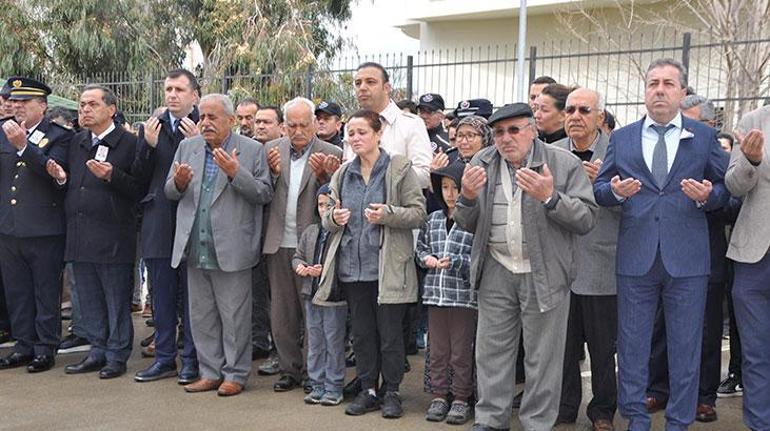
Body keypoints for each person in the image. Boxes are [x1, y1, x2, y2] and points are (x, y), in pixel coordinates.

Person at [593, 58, 729, 431]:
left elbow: (728, 189)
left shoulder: (702, 138)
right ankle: (636, 420)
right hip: (637, 258)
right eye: (653, 83)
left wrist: (707, 196)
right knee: (633, 347)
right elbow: (600, 190)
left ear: (682, 93)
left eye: (669, 84)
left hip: (687, 260)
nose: (659, 90)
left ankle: (679, 422)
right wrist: (615, 193)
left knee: (686, 348)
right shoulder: (622, 138)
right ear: (645, 91)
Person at [456, 102, 598, 431]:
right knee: (491, 353)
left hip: (545, 273)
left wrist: (551, 198)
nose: (505, 138)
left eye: (514, 130)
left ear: (533, 131)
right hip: (496, 270)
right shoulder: (482, 162)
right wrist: (465, 196)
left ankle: (537, 423)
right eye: (499, 132)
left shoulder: (562, 164)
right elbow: (466, 222)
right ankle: (491, 420)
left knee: (543, 359)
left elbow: (587, 218)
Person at [318, 109, 426, 419]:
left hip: (388, 266)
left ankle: (391, 391)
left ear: (378, 134)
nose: (355, 138)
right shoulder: (342, 173)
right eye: (351, 133)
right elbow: (327, 219)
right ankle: (368, 389)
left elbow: (418, 212)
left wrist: (387, 214)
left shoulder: (399, 168)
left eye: (362, 132)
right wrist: (334, 219)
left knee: (390, 335)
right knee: (363, 335)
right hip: (353, 268)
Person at [165, 93, 273, 396]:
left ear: (231, 120)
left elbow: (264, 193)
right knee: (201, 317)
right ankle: (209, 372)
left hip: (232, 249)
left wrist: (235, 173)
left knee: (235, 318)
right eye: (202, 117)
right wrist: (180, 182)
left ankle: (235, 375)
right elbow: (169, 191)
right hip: (195, 247)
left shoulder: (252, 150)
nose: (206, 123)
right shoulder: (187, 147)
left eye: (213, 117)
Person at [48, 85, 144, 379]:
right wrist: (61, 179)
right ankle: (97, 350)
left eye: (92, 104)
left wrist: (112, 175)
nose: (85, 110)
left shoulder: (129, 143)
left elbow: (140, 190)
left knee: (115, 300)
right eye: (81, 105)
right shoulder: (77, 142)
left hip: (114, 235)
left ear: (111, 109)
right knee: (88, 300)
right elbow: (70, 184)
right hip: (80, 233)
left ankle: (116, 355)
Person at [263, 97, 342, 393]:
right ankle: (289, 369)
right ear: (283, 126)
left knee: (313, 312)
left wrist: (325, 176)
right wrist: (271, 174)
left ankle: (313, 371)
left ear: (314, 124)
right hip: (278, 242)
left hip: (313, 245)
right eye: (292, 125)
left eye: (304, 125)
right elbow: (261, 195)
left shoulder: (332, 152)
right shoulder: (270, 151)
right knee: (282, 313)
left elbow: (338, 199)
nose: (298, 131)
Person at [553, 88, 619, 431]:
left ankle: (603, 411)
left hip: (601, 266)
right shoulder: (551, 154)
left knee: (602, 349)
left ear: (599, 117)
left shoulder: (617, 154)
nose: (575, 116)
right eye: (570, 110)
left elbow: (634, 207)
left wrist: (605, 187)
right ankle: (565, 408)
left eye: (583, 110)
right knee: (562, 347)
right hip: (560, 267)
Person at [132, 68, 201, 384]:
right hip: (159, 220)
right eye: (168, 89)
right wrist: (147, 145)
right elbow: (139, 176)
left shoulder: (204, 124)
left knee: (191, 297)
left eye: (179, 89)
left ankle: (191, 360)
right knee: (161, 294)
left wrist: (198, 143)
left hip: (193, 220)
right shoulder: (152, 127)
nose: (172, 95)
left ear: (194, 95)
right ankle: (164, 358)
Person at [0, 77, 73, 372]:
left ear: (41, 106)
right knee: (17, 291)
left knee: (44, 290)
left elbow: (56, 176)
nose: (16, 108)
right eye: (13, 102)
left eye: (24, 103)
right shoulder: (3, 132)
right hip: (9, 228)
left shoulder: (58, 136)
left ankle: (45, 347)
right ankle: (24, 344)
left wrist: (23, 146)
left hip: (44, 229)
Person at [417, 161, 476, 426]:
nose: (450, 194)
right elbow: (420, 250)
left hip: (462, 297)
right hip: (435, 296)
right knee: (438, 350)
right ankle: (440, 395)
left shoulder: (472, 221)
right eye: (445, 187)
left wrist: (457, 261)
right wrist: (427, 259)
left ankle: (462, 397)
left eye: (456, 188)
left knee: (461, 351)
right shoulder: (433, 219)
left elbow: (478, 259)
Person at [726, 106, 770, 431]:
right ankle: (759, 424)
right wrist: (751, 162)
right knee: (755, 352)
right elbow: (733, 186)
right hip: (754, 255)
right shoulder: (754, 121)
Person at [292, 183, 347, 406]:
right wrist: (302, 267)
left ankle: (334, 386)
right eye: (321, 204)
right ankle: (317, 384)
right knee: (314, 340)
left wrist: (325, 269)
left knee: (333, 341)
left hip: (334, 296)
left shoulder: (342, 232)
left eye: (329, 205)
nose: (324, 209)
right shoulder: (311, 231)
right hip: (311, 294)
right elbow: (297, 256)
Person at [348, 62, 432, 188]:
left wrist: (382, 177)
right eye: (358, 83)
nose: (362, 88)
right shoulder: (351, 125)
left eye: (370, 82)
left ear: (387, 88)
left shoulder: (411, 124)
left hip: (395, 205)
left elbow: (424, 175)